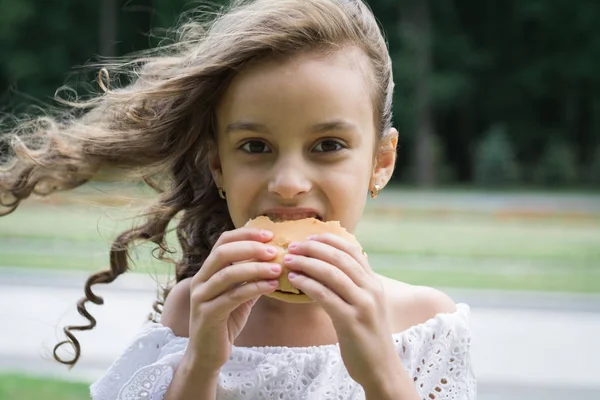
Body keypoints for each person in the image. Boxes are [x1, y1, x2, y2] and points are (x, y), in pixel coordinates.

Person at [0, 0, 476, 398]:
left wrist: (382, 372)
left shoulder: (425, 323)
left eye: (328, 145)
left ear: (381, 161)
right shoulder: (193, 311)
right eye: (255, 147)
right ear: (218, 166)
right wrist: (200, 366)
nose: (289, 182)